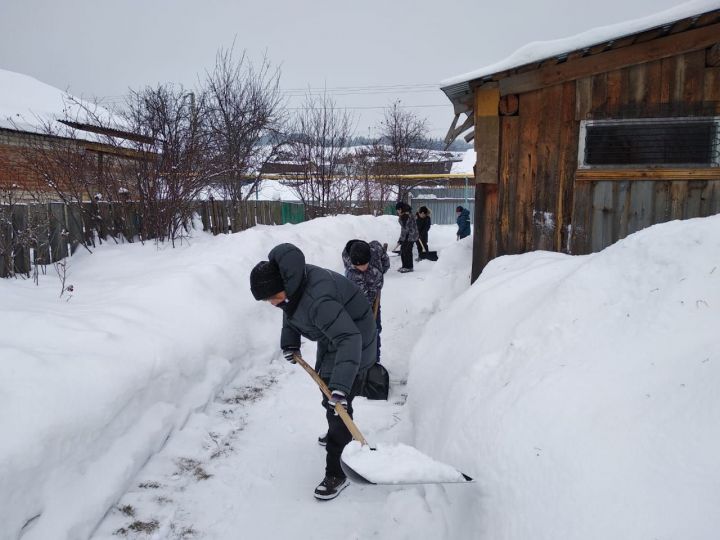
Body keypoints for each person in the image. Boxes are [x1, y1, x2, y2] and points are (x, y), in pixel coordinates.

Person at [250, 243, 376, 501]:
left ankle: (337, 471)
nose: (272, 304)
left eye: (272, 297)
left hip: (355, 339)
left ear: (282, 286)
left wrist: (341, 386)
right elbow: (290, 310)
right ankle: (337, 429)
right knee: (328, 393)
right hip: (334, 336)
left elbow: (349, 338)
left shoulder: (318, 300)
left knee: (338, 403)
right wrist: (290, 341)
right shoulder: (292, 286)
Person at [342, 239, 390, 362]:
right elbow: (360, 298)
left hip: (375, 297)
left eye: (364, 264)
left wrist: (377, 275)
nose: (362, 268)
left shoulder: (375, 249)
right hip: (358, 305)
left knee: (376, 329)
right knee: (363, 332)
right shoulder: (352, 274)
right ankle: (361, 362)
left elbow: (385, 262)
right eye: (358, 266)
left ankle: (375, 360)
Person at [395, 201, 419, 272]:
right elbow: (403, 229)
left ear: (402, 209)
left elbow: (406, 229)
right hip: (407, 235)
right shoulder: (403, 216)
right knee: (403, 250)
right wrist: (401, 240)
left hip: (411, 235)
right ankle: (404, 266)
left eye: (398, 209)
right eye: (397, 210)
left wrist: (402, 239)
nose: (398, 211)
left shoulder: (407, 216)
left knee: (407, 250)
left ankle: (409, 267)